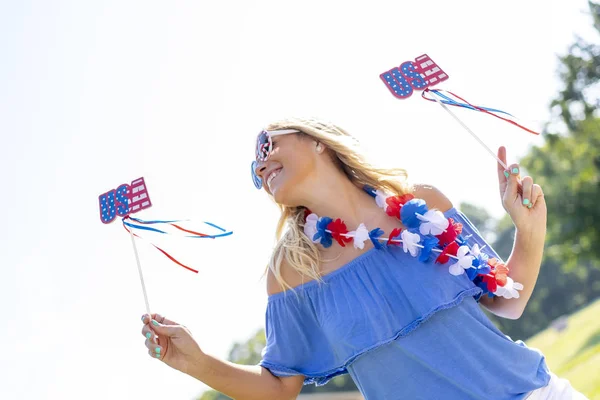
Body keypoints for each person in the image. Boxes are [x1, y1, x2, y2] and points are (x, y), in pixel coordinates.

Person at [140, 118, 588, 399]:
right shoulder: (292, 272)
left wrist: (530, 229)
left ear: (317, 141)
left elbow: (507, 299)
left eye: (267, 146)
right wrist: (197, 362)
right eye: (255, 169)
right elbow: (279, 389)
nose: (261, 165)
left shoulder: (422, 204)